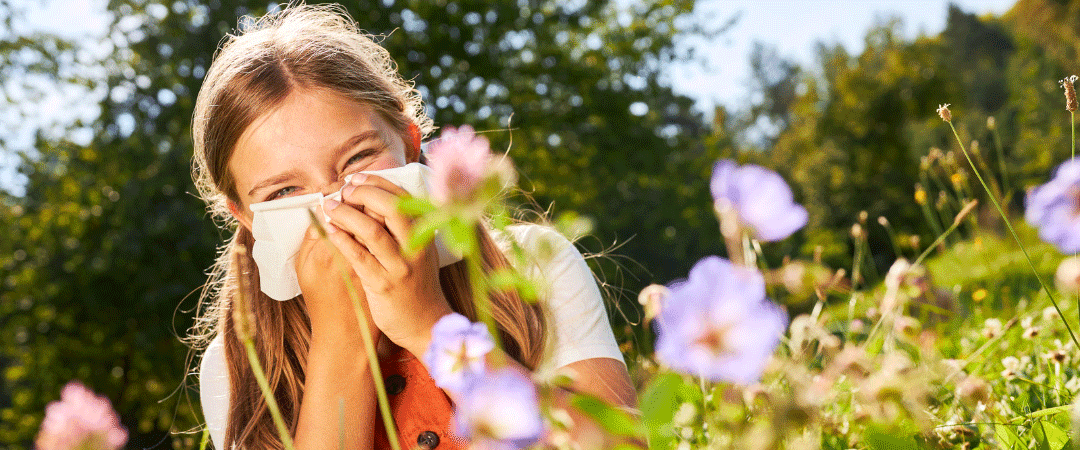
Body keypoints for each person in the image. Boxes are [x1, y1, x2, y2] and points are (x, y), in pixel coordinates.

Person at [189, 3, 635, 449]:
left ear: (409, 140)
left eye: (358, 158)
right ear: (245, 217)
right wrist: (343, 346)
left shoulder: (533, 268)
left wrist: (429, 325)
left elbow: (619, 446)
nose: (332, 205)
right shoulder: (236, 367)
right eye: (284, 193)